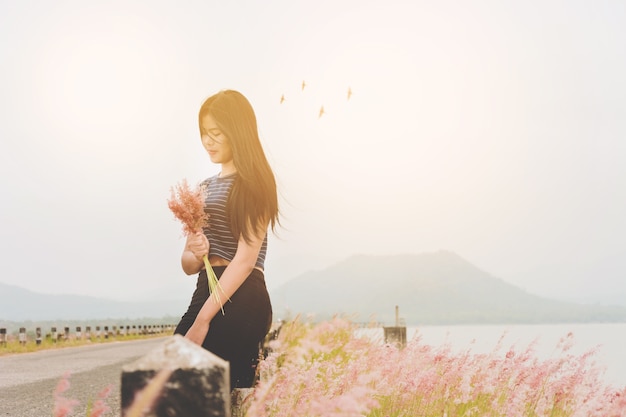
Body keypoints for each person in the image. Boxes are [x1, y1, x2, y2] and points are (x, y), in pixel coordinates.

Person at [174, 89, 279, 390]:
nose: (208, 141)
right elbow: (187, 264)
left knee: (211, 391)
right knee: (169, 381)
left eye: (216, 133)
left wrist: (202, 321)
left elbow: (245, 261)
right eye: (204, 133)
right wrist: (195, 252)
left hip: (242, 292)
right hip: (205, 288)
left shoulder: (254, 183)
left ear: (237, 132)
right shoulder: (202, 188)